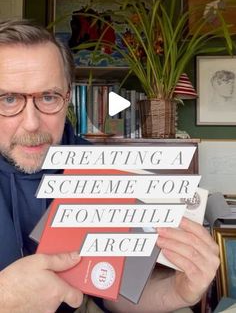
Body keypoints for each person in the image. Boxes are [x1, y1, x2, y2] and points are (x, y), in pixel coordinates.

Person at [0, 19, 219, 313]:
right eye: (9, 99)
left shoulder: (96, 170)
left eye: (49, 97)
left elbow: (112, 290)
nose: (31, 123)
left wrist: (178, 292)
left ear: (67, 99)